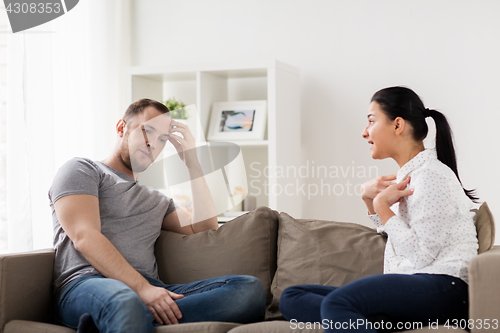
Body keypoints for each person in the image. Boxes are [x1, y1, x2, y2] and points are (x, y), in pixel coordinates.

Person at [49, 98, 266, 333]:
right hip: (87, 283)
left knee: (248, 290)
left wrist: (192, 163)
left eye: (162, 139)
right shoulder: (82, 170)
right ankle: (123, 315)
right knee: (125, 302)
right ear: (122, 128)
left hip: (149, 288)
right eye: (147, 131)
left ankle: (112, 322)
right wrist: (141, 289)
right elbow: (85, 236)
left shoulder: (157, 200)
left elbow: (205, 229)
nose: (153, 143)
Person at [279, 87, 479, 332]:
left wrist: (381, 205)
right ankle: (360, 321)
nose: (364, 133)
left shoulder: (430, 176)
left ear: (397, 125)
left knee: (338, 303)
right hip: (415, 284)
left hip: (444, 287)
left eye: (371, 121)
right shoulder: (410, 177)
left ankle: (352, 316)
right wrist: (370, 201)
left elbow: (420, 256)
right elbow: (399, 243)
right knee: (292, 297)